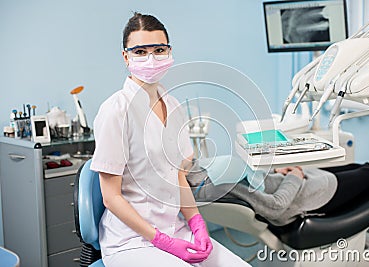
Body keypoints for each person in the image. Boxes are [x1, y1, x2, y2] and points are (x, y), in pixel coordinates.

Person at [90, 12, 251, 267]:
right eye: (140, 51)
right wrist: (162, 241)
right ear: (126, 56)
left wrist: (197, 223)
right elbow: (111, 197)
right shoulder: (115, 110)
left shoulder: (173, 105)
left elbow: (179, 176)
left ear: (169, 51)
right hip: (131, 241)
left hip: (174, 228)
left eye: (158, 49)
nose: (151, 58)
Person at [187, 156, 369, 226]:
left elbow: (251, 179)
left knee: (360, 168)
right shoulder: (218, 183)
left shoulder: (206, 173)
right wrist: (293, 177)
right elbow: (274, 207)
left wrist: (277, 171)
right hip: (312, 195)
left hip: (303, 182)